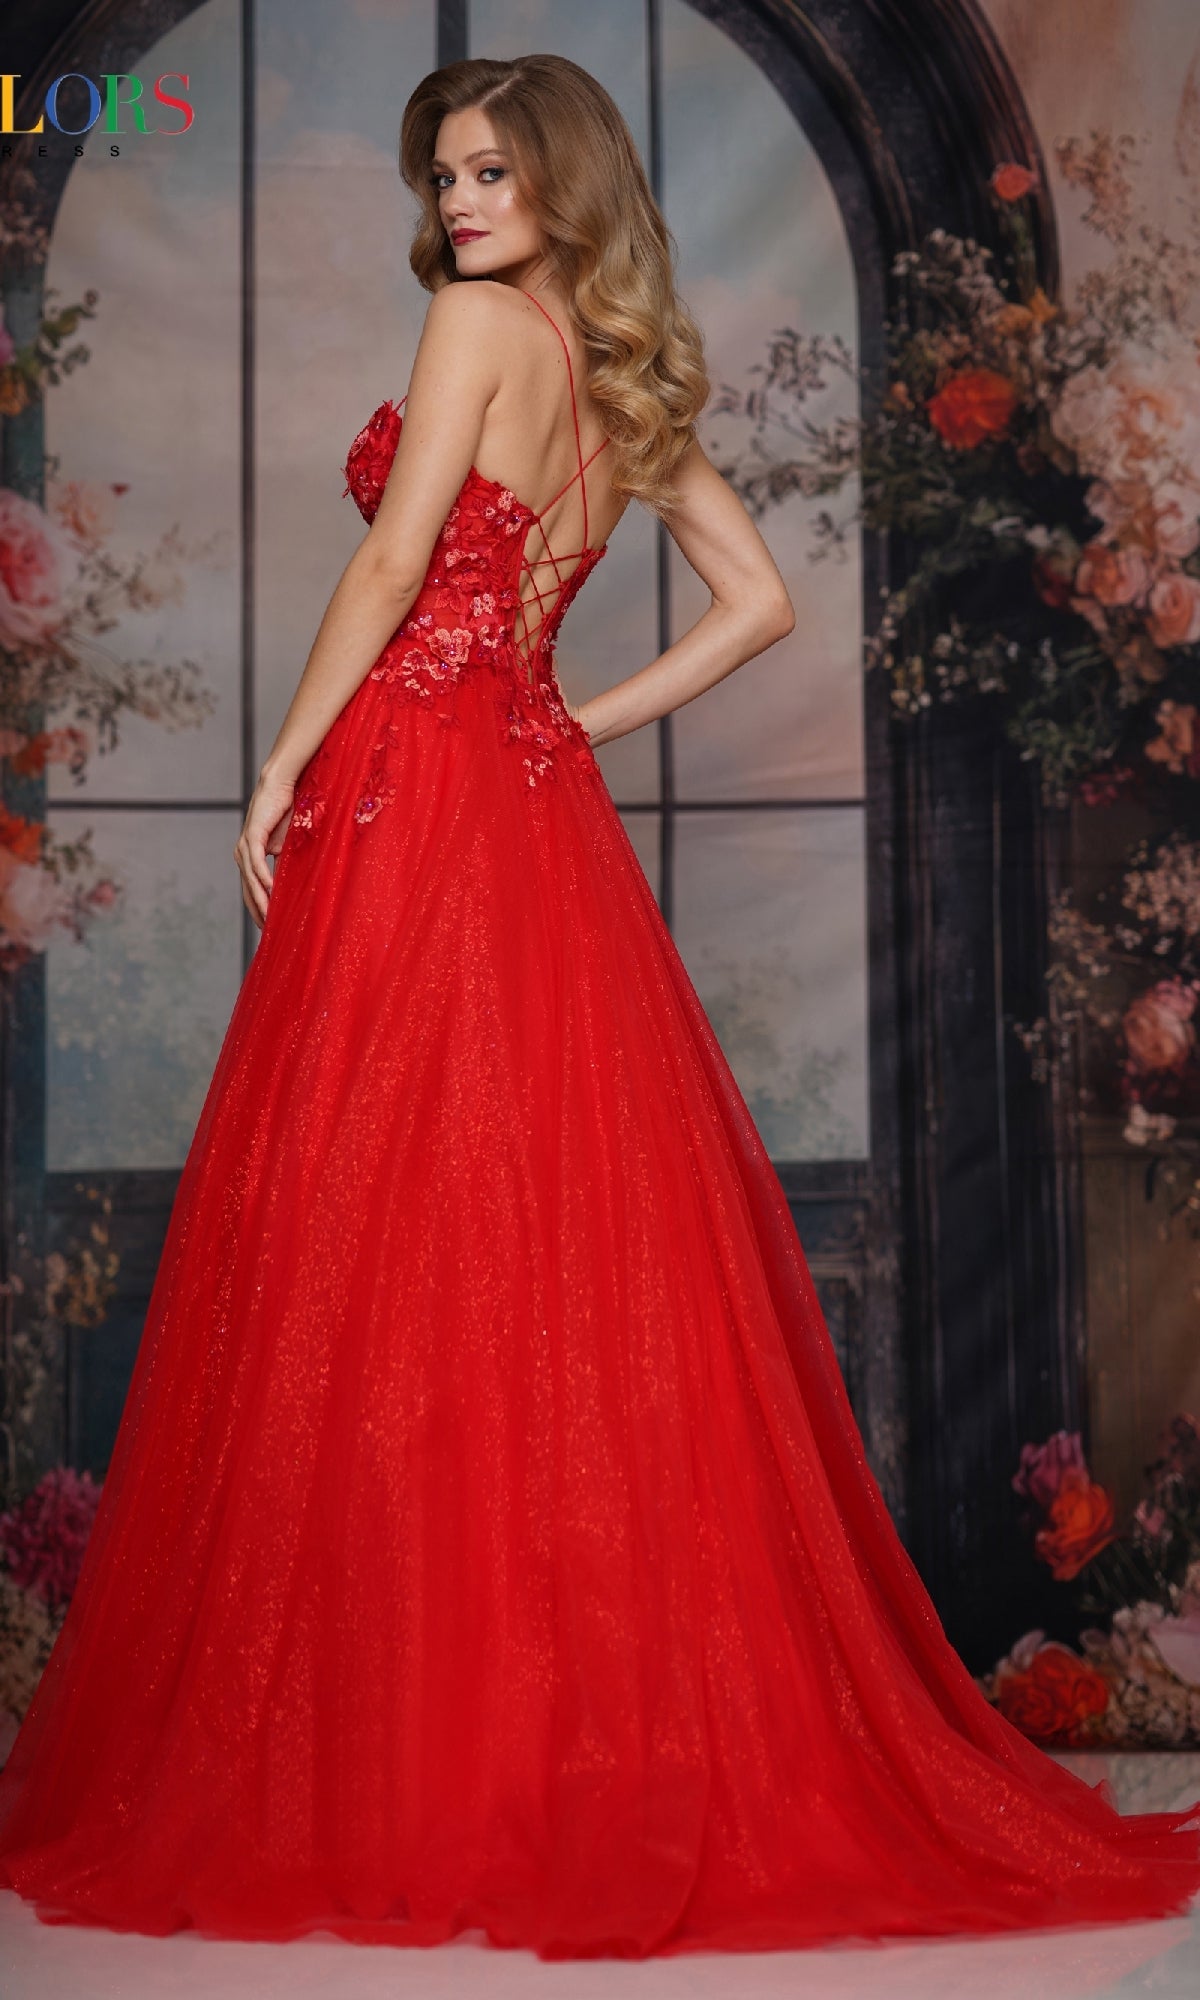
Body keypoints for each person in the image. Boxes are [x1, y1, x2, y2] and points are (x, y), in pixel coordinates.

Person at [0, 52, 1197, 1962]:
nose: (462, 200)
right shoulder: (617, 382)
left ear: (555, 179)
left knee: (373, 1233)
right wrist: (570, 713)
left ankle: (398, 1759)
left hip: (416, 788)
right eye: (445, 172)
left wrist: (277, 765)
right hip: (528, 806)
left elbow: (395, 561)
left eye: (489, 168)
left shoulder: (474, 320)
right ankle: (512, 1737)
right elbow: (760, 602)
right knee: (526, 1245)